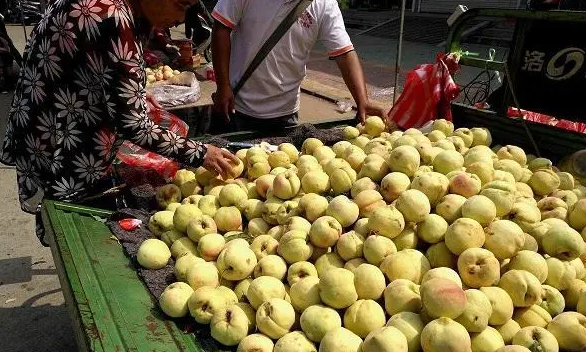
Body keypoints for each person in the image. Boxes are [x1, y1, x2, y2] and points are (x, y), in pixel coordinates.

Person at [0, 0, 238, 242]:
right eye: (180, 5)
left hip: (50, 115)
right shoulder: (113, 18)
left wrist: (133, 93)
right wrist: (201, 152)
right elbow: (134, 125)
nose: (181, 18)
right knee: (73, 228)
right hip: (60, 135)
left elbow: (88, 60)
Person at [211, 0, 386, 133]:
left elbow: (344, 53)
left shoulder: (324, 4)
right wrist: (223, 86)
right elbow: (221, 28)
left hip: (286, 113)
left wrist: (363, 100)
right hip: (237, 105)